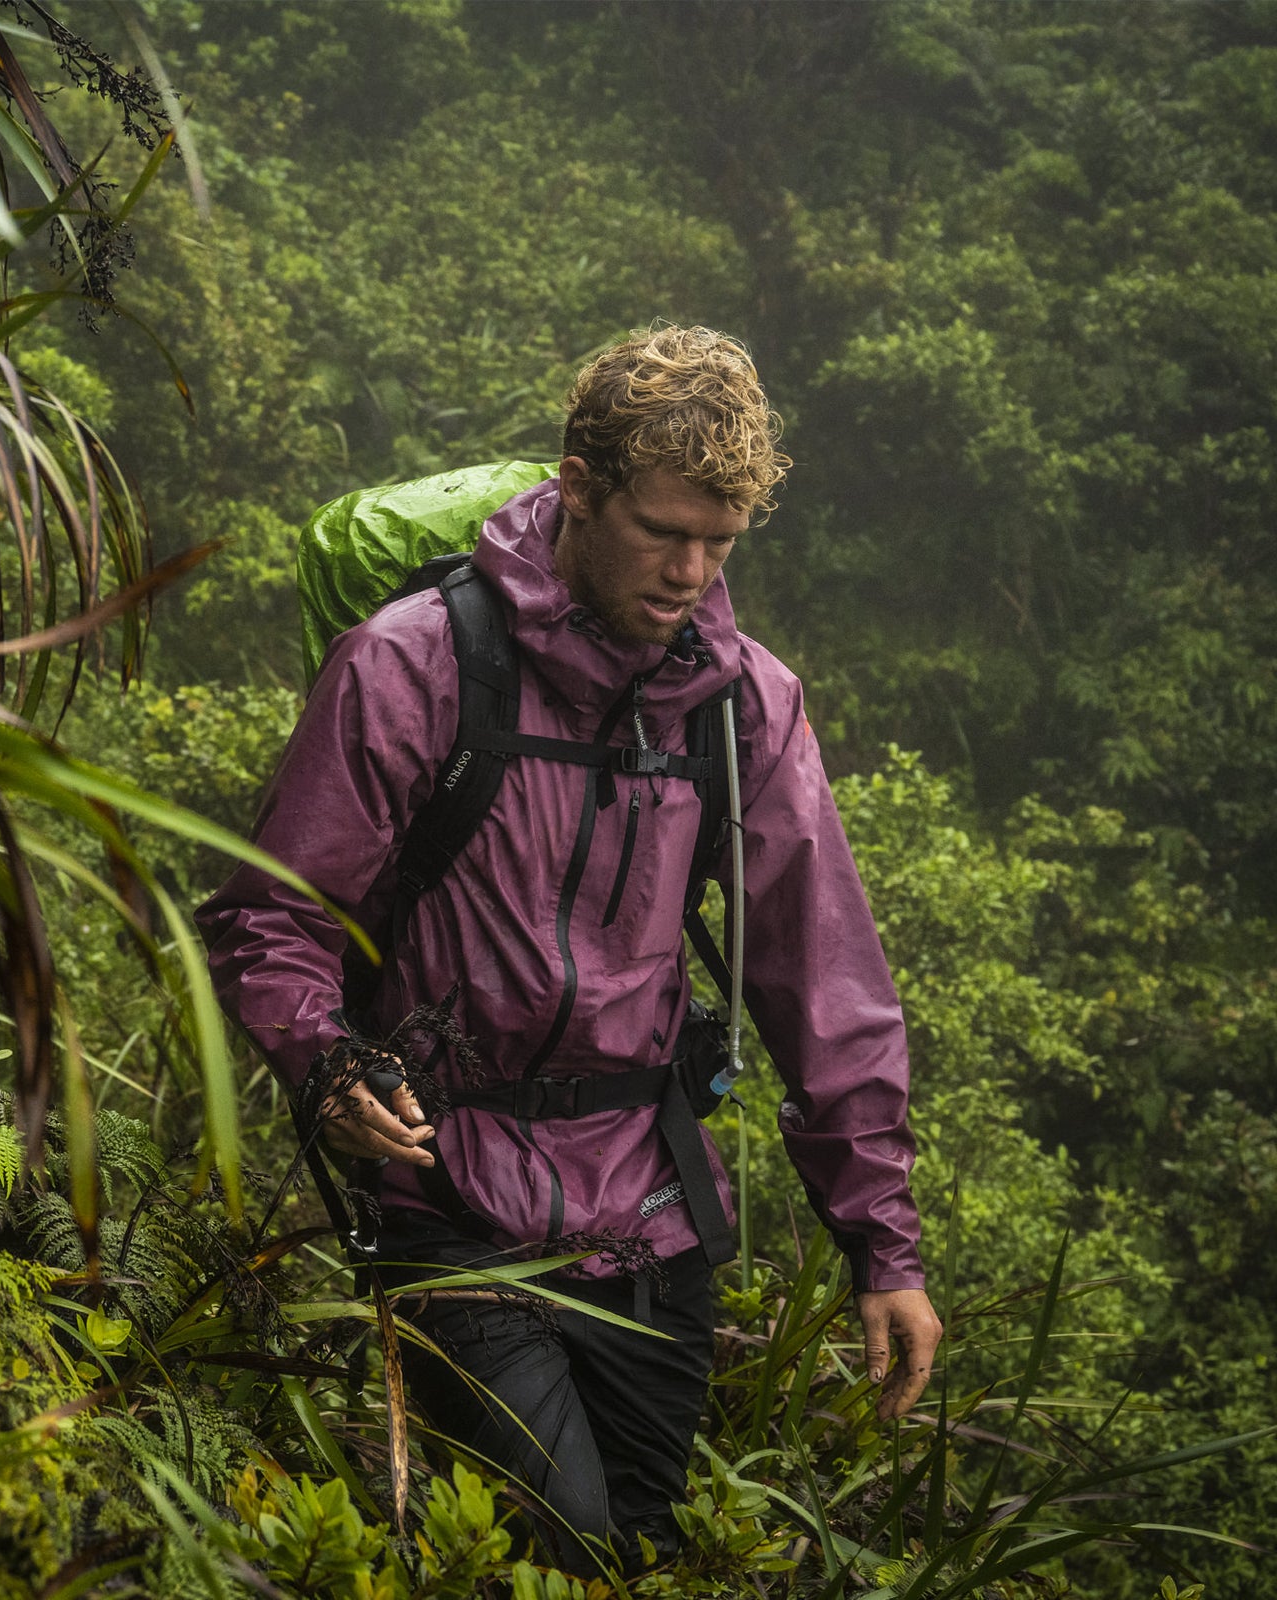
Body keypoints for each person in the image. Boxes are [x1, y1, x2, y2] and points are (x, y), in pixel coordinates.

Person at [196, 326, 942, 1571]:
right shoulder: (413, 664)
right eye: (664, 531)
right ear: (580, 487)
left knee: (642, 1553)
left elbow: (826, 982)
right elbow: (270, 915)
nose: (692, 572)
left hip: (652, 1215)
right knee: (560, 1549)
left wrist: (884, 1242)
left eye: (720, 542)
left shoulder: (745, 702)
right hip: (452, 1191)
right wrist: (325, 1061)